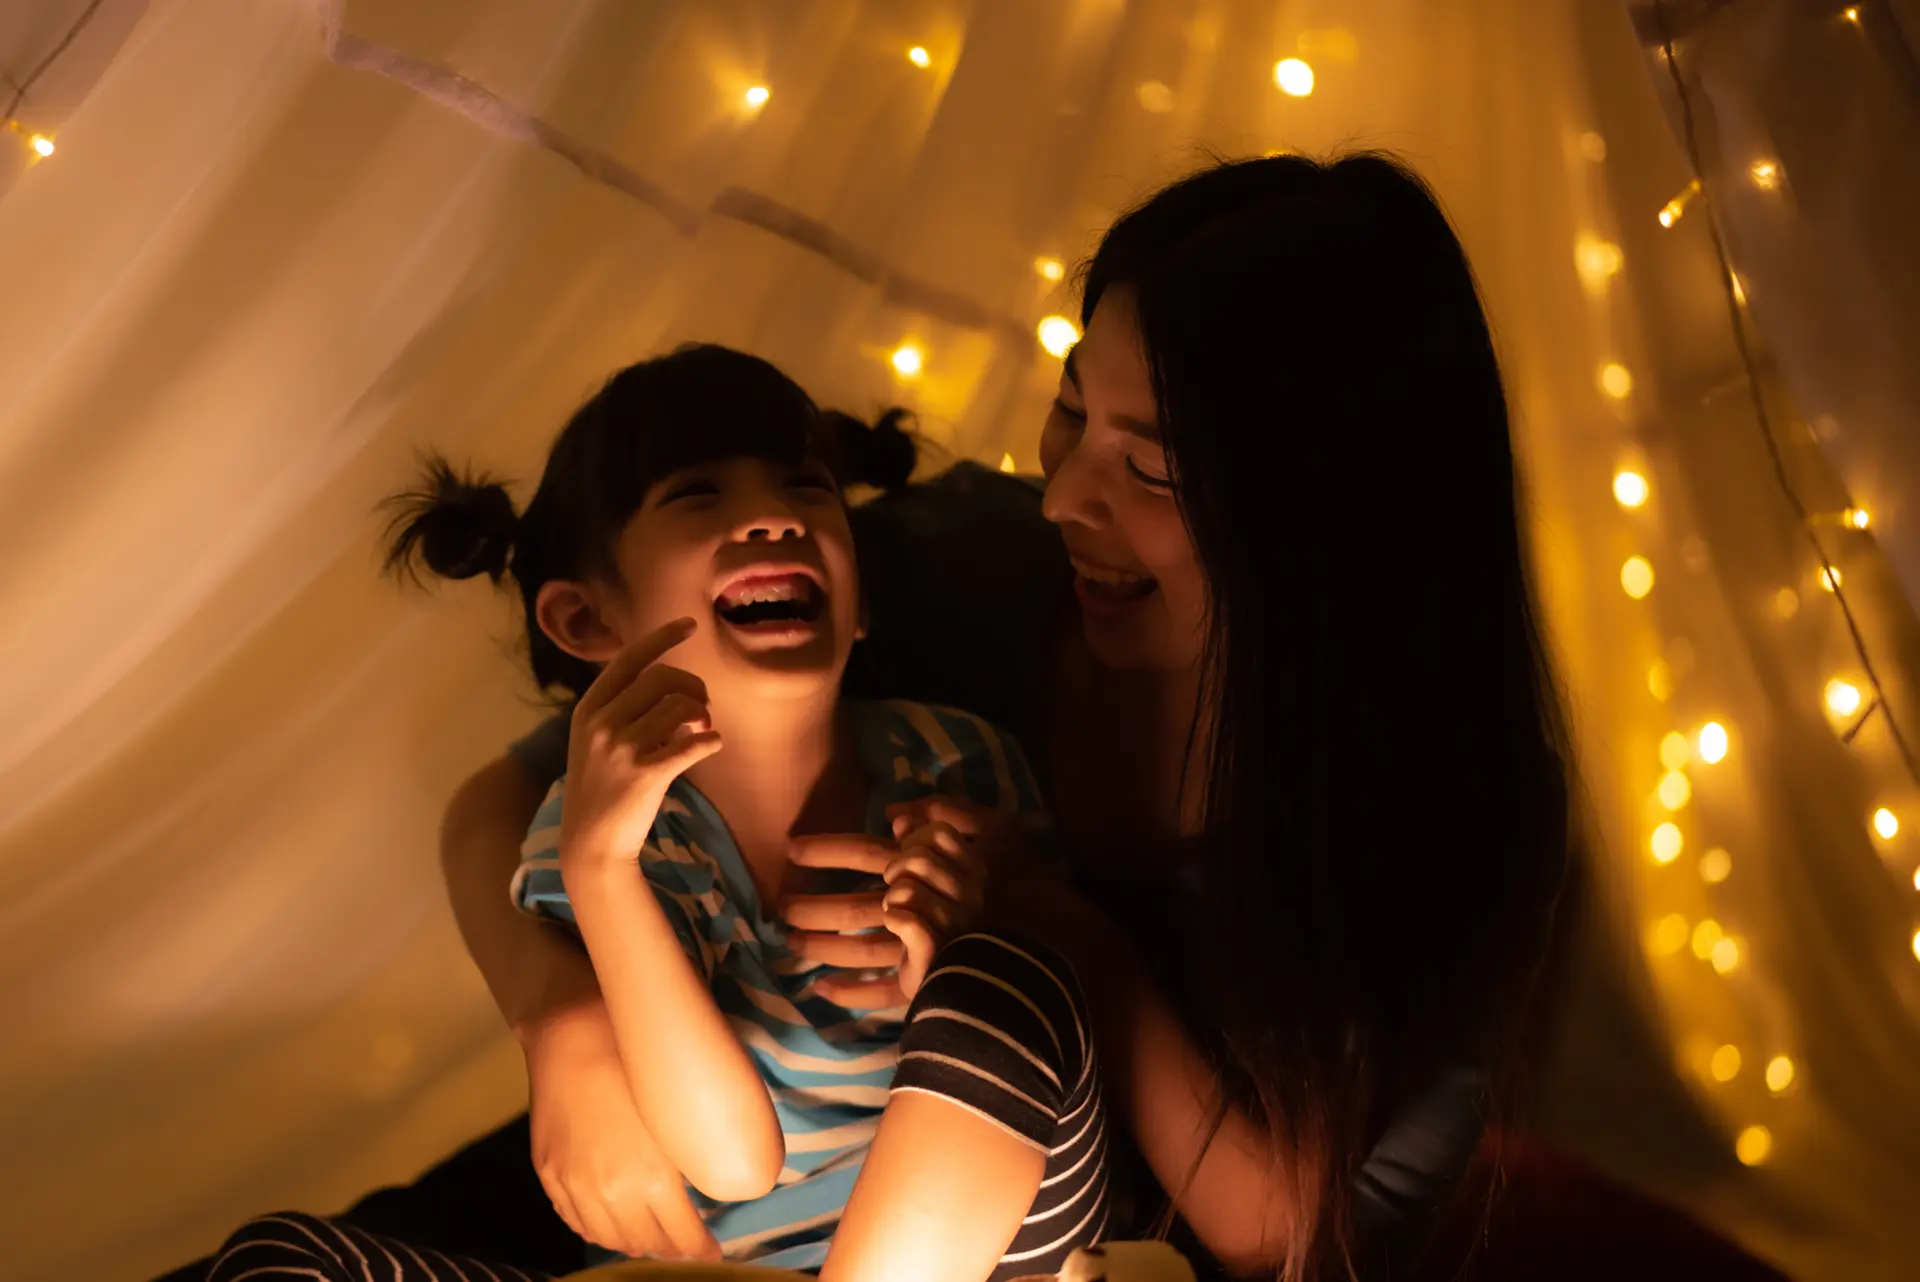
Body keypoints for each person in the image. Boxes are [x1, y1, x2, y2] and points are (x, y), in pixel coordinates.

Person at [390, 151, 1568, 1282]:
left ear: (1319, 530)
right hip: (690, 1152)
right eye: (1069, 411)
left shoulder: (1448, 817)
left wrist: (1046, 922)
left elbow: (1289, 1243)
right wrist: (564, 1019)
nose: (1062, 495)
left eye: (1149, 471)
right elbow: (505, 804)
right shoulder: (965, 564)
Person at [201, 345, 1109, 1282]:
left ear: (863, 594)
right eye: (698, 497)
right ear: (589, 623)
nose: (773, 519)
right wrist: (603, 874)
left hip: (994, 1252)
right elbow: (731, 1163)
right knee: (277, 1261)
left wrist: (956, 957)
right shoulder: (599, 844)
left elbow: (1056, 1043)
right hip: (719, 1267)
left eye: (806, 489)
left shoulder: (959, 764)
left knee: (1007, 987)